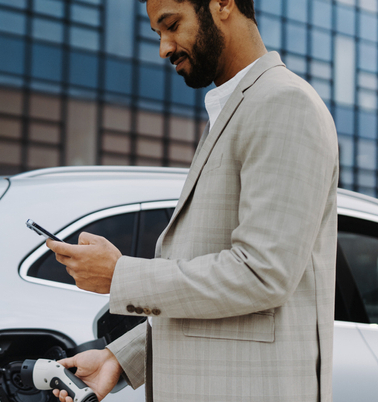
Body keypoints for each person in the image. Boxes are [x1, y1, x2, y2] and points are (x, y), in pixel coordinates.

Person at [46, 0, 339, 401]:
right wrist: (120, 358)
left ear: (222, 4)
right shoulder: (238, 108)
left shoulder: (283, 104)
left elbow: (261, 274)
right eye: (158, 34)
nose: (164, 48)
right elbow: (212, 299)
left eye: (171, 25)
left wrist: (121, 276)